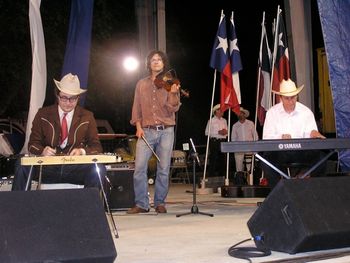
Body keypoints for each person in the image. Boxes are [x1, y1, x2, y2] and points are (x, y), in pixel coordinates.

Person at [12, 73, 106, 191]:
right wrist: (42, 150)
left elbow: (96, 147)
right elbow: (32, 144)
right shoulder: (43, 114)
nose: (68, 102)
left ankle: (88, 208)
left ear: (78, 98)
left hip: (74, 168)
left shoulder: (87, 116)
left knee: (99, 169)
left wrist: (82, 151)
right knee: (22, 164)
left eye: (73, 99)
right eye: (64, 98)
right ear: (57, 95)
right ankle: (18, 208)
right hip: (47, 167)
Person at [127, 50, 181, 214]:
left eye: (159, 60)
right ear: (149, 64)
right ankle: (142, 204)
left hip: (166, 130)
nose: (156, 62)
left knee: (163, 168)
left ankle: (160, 203)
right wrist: (138, 126)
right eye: (153, 60)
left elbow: (174, 107)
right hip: (146, 130)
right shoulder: (141, 84)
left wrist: (173, 93)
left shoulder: (170, 82)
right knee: (139, 168)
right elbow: (136, 106)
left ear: (164, 63)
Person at [262, 78, 326, 188]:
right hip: (280, 152)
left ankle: (313, 189)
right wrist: (280, 137)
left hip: (301, 152)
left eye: (294, 97)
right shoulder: (272, 113)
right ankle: (278, 192)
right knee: (266, 161)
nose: (291, 101)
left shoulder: (306, 112)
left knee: (322, 158)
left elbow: (311, 132)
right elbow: (266, 138)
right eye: (287, 98)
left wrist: (314, 133)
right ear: (281, 98)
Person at [231, 107, 258, 172]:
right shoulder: (235, 125)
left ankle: (250, 180)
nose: (240, 115)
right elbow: (233, 138)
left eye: (241, 113)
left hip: (249, 147)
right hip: (239, 148)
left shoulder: (250, 123)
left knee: (250, 166)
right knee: (239, 166)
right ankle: (240, 179)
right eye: (238, 114)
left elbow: (255, 136)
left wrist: (255, 147)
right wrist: (235, 147)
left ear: (244, 114)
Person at [205, 104, 228, 178]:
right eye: (220, 110)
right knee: (213, 159)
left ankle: (222, 176)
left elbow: (227, 131)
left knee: (222, 160)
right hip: (214, 141)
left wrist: (225, 132)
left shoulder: (224, 120)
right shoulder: (211, 120)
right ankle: (211, 176)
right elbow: (206, 132)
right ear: (216, 111)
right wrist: (218, 132)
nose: (222, 111)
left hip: (222, 141)